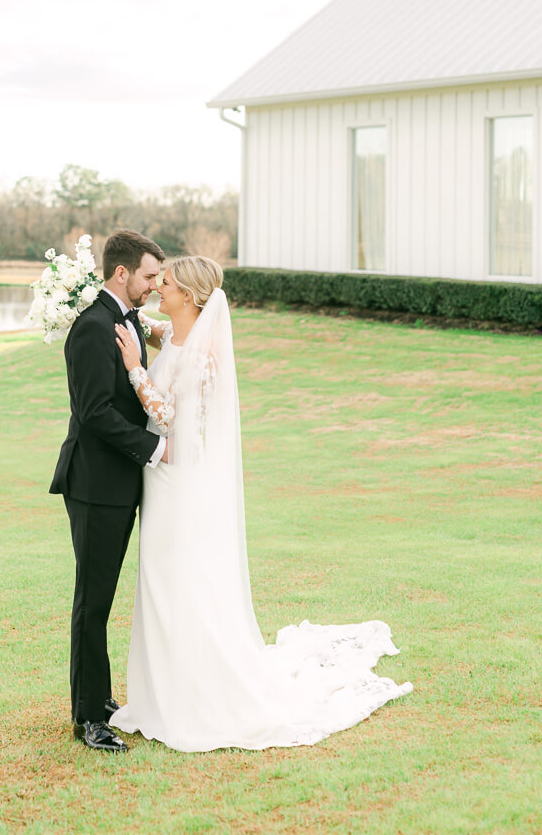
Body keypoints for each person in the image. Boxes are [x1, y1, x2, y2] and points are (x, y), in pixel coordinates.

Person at [111, 254, 413, 752]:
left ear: (188, 295)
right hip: (160, 486)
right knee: (159, 581)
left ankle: (193, 696)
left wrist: (134, 370)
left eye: (165, 285)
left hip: (180, 485)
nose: (158, 289)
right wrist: (115, 307)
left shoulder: (204, 358)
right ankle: (161, 690)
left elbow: (169, 419)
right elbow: (158, 329)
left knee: (178, 582)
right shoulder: (177, 335)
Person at [50, 228, 166, 753]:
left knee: (103, 600)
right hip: (95, 486)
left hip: (120, 486)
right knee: (91, 603)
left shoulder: (128, 320)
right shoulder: (93, 327)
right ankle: (86, 719)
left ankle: (99, 700)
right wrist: (154, 448)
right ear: (122, 272)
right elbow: (94, 413)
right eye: (147, 276)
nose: (153, 286)